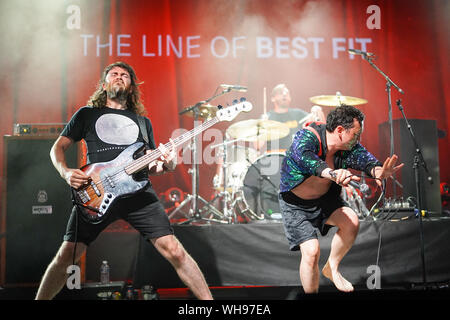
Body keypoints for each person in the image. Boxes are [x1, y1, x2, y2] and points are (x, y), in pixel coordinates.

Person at [35, 61, 213, 300]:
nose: (119, 77)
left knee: (175, 251)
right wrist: (66, 172)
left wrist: (167, 164)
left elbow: (150, 165)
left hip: (138, 194)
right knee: (66, 255)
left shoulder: (142, 122)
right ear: (104, 84)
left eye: (125, 75)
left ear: (131, 87)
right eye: (114, 74)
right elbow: (57, 148)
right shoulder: (87, 115)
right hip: (95, 193)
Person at [278, 104, 403, 293]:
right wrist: (333, 173)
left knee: (352, 221)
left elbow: (366, 160)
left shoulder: (348, 147)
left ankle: (332, 268)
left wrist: (380, 171)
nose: (357, 140)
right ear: (339, 130)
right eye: (355, 135)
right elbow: (305, 158)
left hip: (325, 200)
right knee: (311, 252)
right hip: (296, 205)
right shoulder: (308, 136)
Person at [264, 83, 326, 152]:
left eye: (287, 93)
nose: (284, 94)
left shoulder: (298, 113)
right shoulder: (267, 117)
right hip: (273, 158)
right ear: (273, 98)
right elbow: (258, 146)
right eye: (280, 92)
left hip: (296, 155)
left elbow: (319, 126)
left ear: (290, 98)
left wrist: (317, 111)